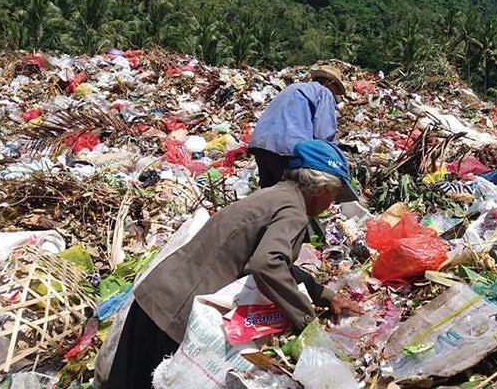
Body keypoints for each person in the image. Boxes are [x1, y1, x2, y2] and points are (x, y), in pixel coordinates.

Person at [107, 140, 362, 389]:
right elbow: (267, 263)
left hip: (154, 297)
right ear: (321, 188)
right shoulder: (294, 212)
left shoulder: (272, 195)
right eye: (335, 194)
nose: (333, 203)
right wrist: (306, 321)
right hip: (174, 316)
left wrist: (323, 295)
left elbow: (273, 261)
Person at [249, 65, 346, 188]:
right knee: (292, 195)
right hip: (288, 149)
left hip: (260, 145)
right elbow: (323, 134)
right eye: (336, 91)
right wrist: (336, 156)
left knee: (269, 195)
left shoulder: (293, 88)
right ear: (330, 83)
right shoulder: (324, 92)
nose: (335, 95)